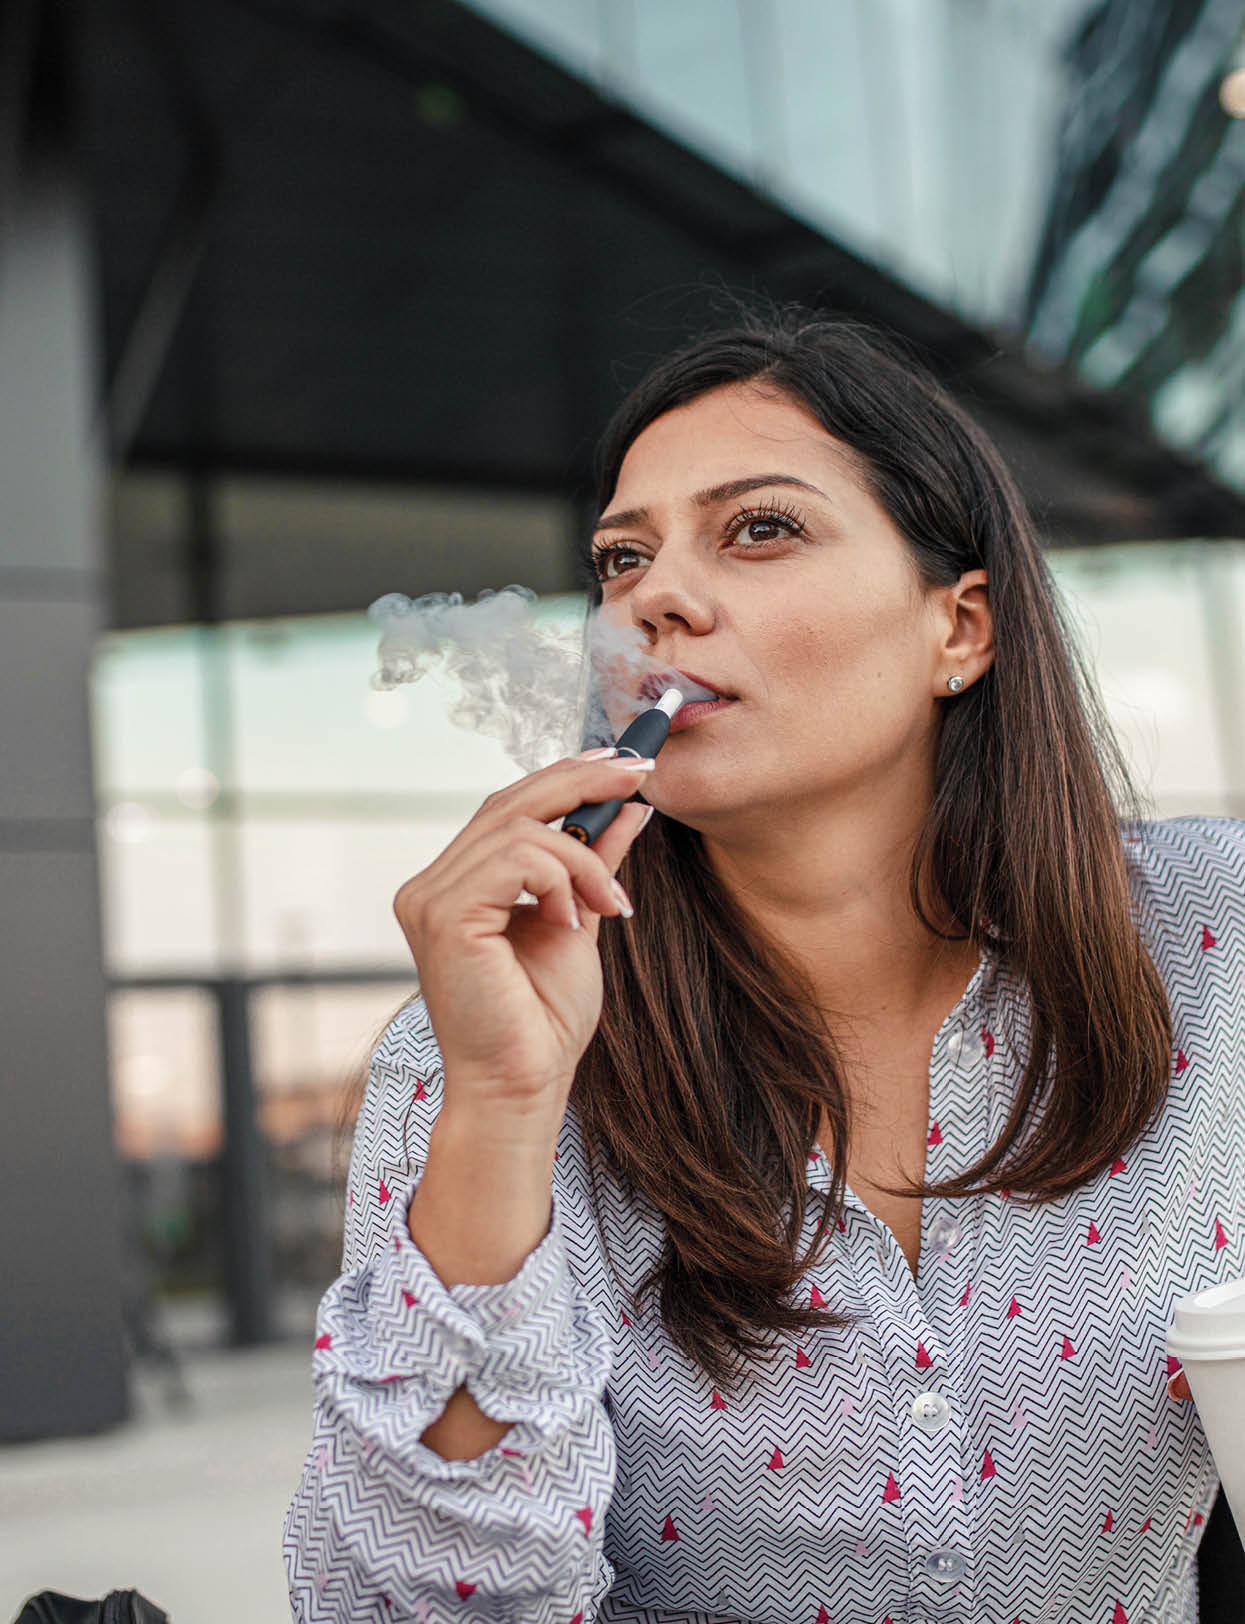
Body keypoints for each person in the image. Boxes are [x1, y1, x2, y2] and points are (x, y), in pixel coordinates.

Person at [284, 308, 1243, 1623]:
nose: (653, 598)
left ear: (960, 630)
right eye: (621, 560)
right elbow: (414, 1608)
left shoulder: (1211, 936)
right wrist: (502, 1114)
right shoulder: (473, 1055)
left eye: (759, 528)